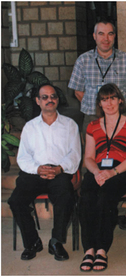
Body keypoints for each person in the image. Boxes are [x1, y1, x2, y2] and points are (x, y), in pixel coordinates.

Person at [68, 19, 126, 230]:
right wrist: (98, 109)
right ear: (94, 36)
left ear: (114, 36)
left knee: (121, 165)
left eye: (110, 34)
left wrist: (115, 108)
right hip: (92, 118)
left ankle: (114, 210)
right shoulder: (83, 60)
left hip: (120, 120)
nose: (106, 38)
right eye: (101, 34)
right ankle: (93, 208)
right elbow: (78, 91)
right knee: (93, 165)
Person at [8, 84, 81, 261]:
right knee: (16, 200)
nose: (50, 100)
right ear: (38, 101)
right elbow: (23, 157)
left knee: (66, 197)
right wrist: (37, 169)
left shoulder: (70, 125)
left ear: (57, 99)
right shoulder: (30, 127)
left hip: (60, 171)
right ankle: (33, 242)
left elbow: (75, 154)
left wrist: (59, 168)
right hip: (35, 172)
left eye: (53, 96)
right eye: (45, 97)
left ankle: (56, 242)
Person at [78, 83, 126, 272]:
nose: (109, 103)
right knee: (87, 197)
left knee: (105, 196)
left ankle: (102, 250)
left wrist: (112, 172)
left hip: (123, 170)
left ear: (120, 100)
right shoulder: (92, 126)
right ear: (99, 103)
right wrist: (97, 172)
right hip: (98, 170)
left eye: (113, 98)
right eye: (104, 99)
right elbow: (88, 157)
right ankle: (89, 249)